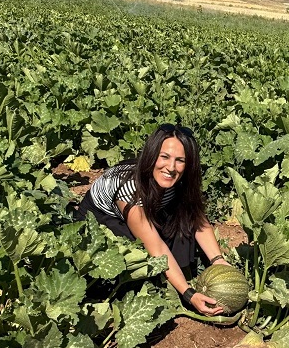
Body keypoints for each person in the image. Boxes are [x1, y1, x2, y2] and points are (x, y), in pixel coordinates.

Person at [73, 124, 229, 316]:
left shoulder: (181, 181)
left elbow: (197, 217)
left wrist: (218, 260)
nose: (171, 168)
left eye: (180, 161)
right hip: (101, 219)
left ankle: (178, 278)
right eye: (164, 157)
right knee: (137, 251)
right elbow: (157, 248)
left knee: (183, 221)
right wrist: (189, 295)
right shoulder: (129, 188)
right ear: (151, 155)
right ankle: (171, 288)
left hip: (151, 207)